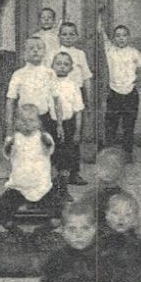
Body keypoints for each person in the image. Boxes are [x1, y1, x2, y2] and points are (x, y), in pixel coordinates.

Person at [0, 104, 58, 239]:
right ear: (16, 122)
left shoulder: (43, 137)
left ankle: (40, 233)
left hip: (42, 186)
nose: (27, 125)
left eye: (32, 121)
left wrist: (45, 141)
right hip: (19, 187)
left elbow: (49, 149)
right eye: (22, 121)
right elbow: (7, 153)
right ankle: (17, 232)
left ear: (39, 123)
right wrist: (10, 143)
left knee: (61, 214)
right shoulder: (14, 139)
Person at [98, 12, 141, 159]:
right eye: (118, 35)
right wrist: (99, 15)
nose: (121, 38)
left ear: (128, 37)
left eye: (124, 35)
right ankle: (109, 153)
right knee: (111, 126)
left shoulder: (133, 52)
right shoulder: (110, 51)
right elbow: (101, 34)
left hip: (130, 94)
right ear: (114, 38)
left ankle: (127, 153)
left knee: (129, 126)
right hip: (114, 92)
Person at [6, 37, 58, 142]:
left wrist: (58, 122)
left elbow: (56, 100)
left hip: (45, 118)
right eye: (31, 48)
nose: (35, 50)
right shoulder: (18, 74)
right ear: (24, 53)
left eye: (39, 48)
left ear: (44, 52)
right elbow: (10, 100)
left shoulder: (50, 73)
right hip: (24, 119)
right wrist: (9, 125)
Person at [51, 51, 85, 187]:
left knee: (72, 149)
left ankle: (74, 174)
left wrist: (77, 130)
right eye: (58, 63)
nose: (62, 67)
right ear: (52, 66)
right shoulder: (49, 84)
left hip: (69, 122)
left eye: (66, 64)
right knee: (57, 150)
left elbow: (78, 110)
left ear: (71, 68)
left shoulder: (73, 85)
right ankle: (58, 176)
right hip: (52, 122)